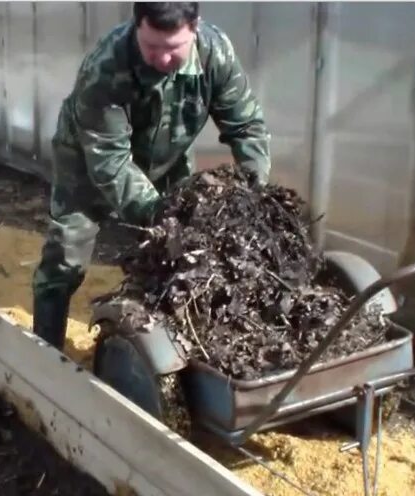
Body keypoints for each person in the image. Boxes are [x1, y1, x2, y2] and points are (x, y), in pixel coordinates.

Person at [31, 2, 272, 351]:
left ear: (195, 27)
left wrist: (254, 195)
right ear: (136, 26)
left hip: (169, 153)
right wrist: (161, 214)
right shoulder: (105, 67)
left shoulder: (214, 54)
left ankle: (167, 346)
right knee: (67, 253)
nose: (162, 60)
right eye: (152, 47)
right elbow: (110, 163)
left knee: (181, 257)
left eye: (173, 48)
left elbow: (247, 127)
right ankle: (44, 349)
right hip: (88, 157)